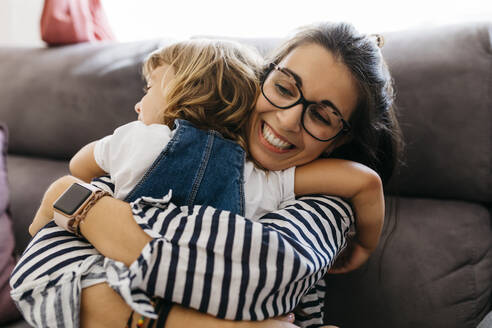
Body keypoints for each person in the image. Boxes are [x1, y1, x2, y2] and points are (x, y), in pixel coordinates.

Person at [12, 22, 403, 328]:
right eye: (284, 88)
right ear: (260, 79)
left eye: (321, 115)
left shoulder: (324, 203)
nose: (287, 120)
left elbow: (259, 276)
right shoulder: (157, 144)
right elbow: (38, 272)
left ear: (338, 141)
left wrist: (80, 206)